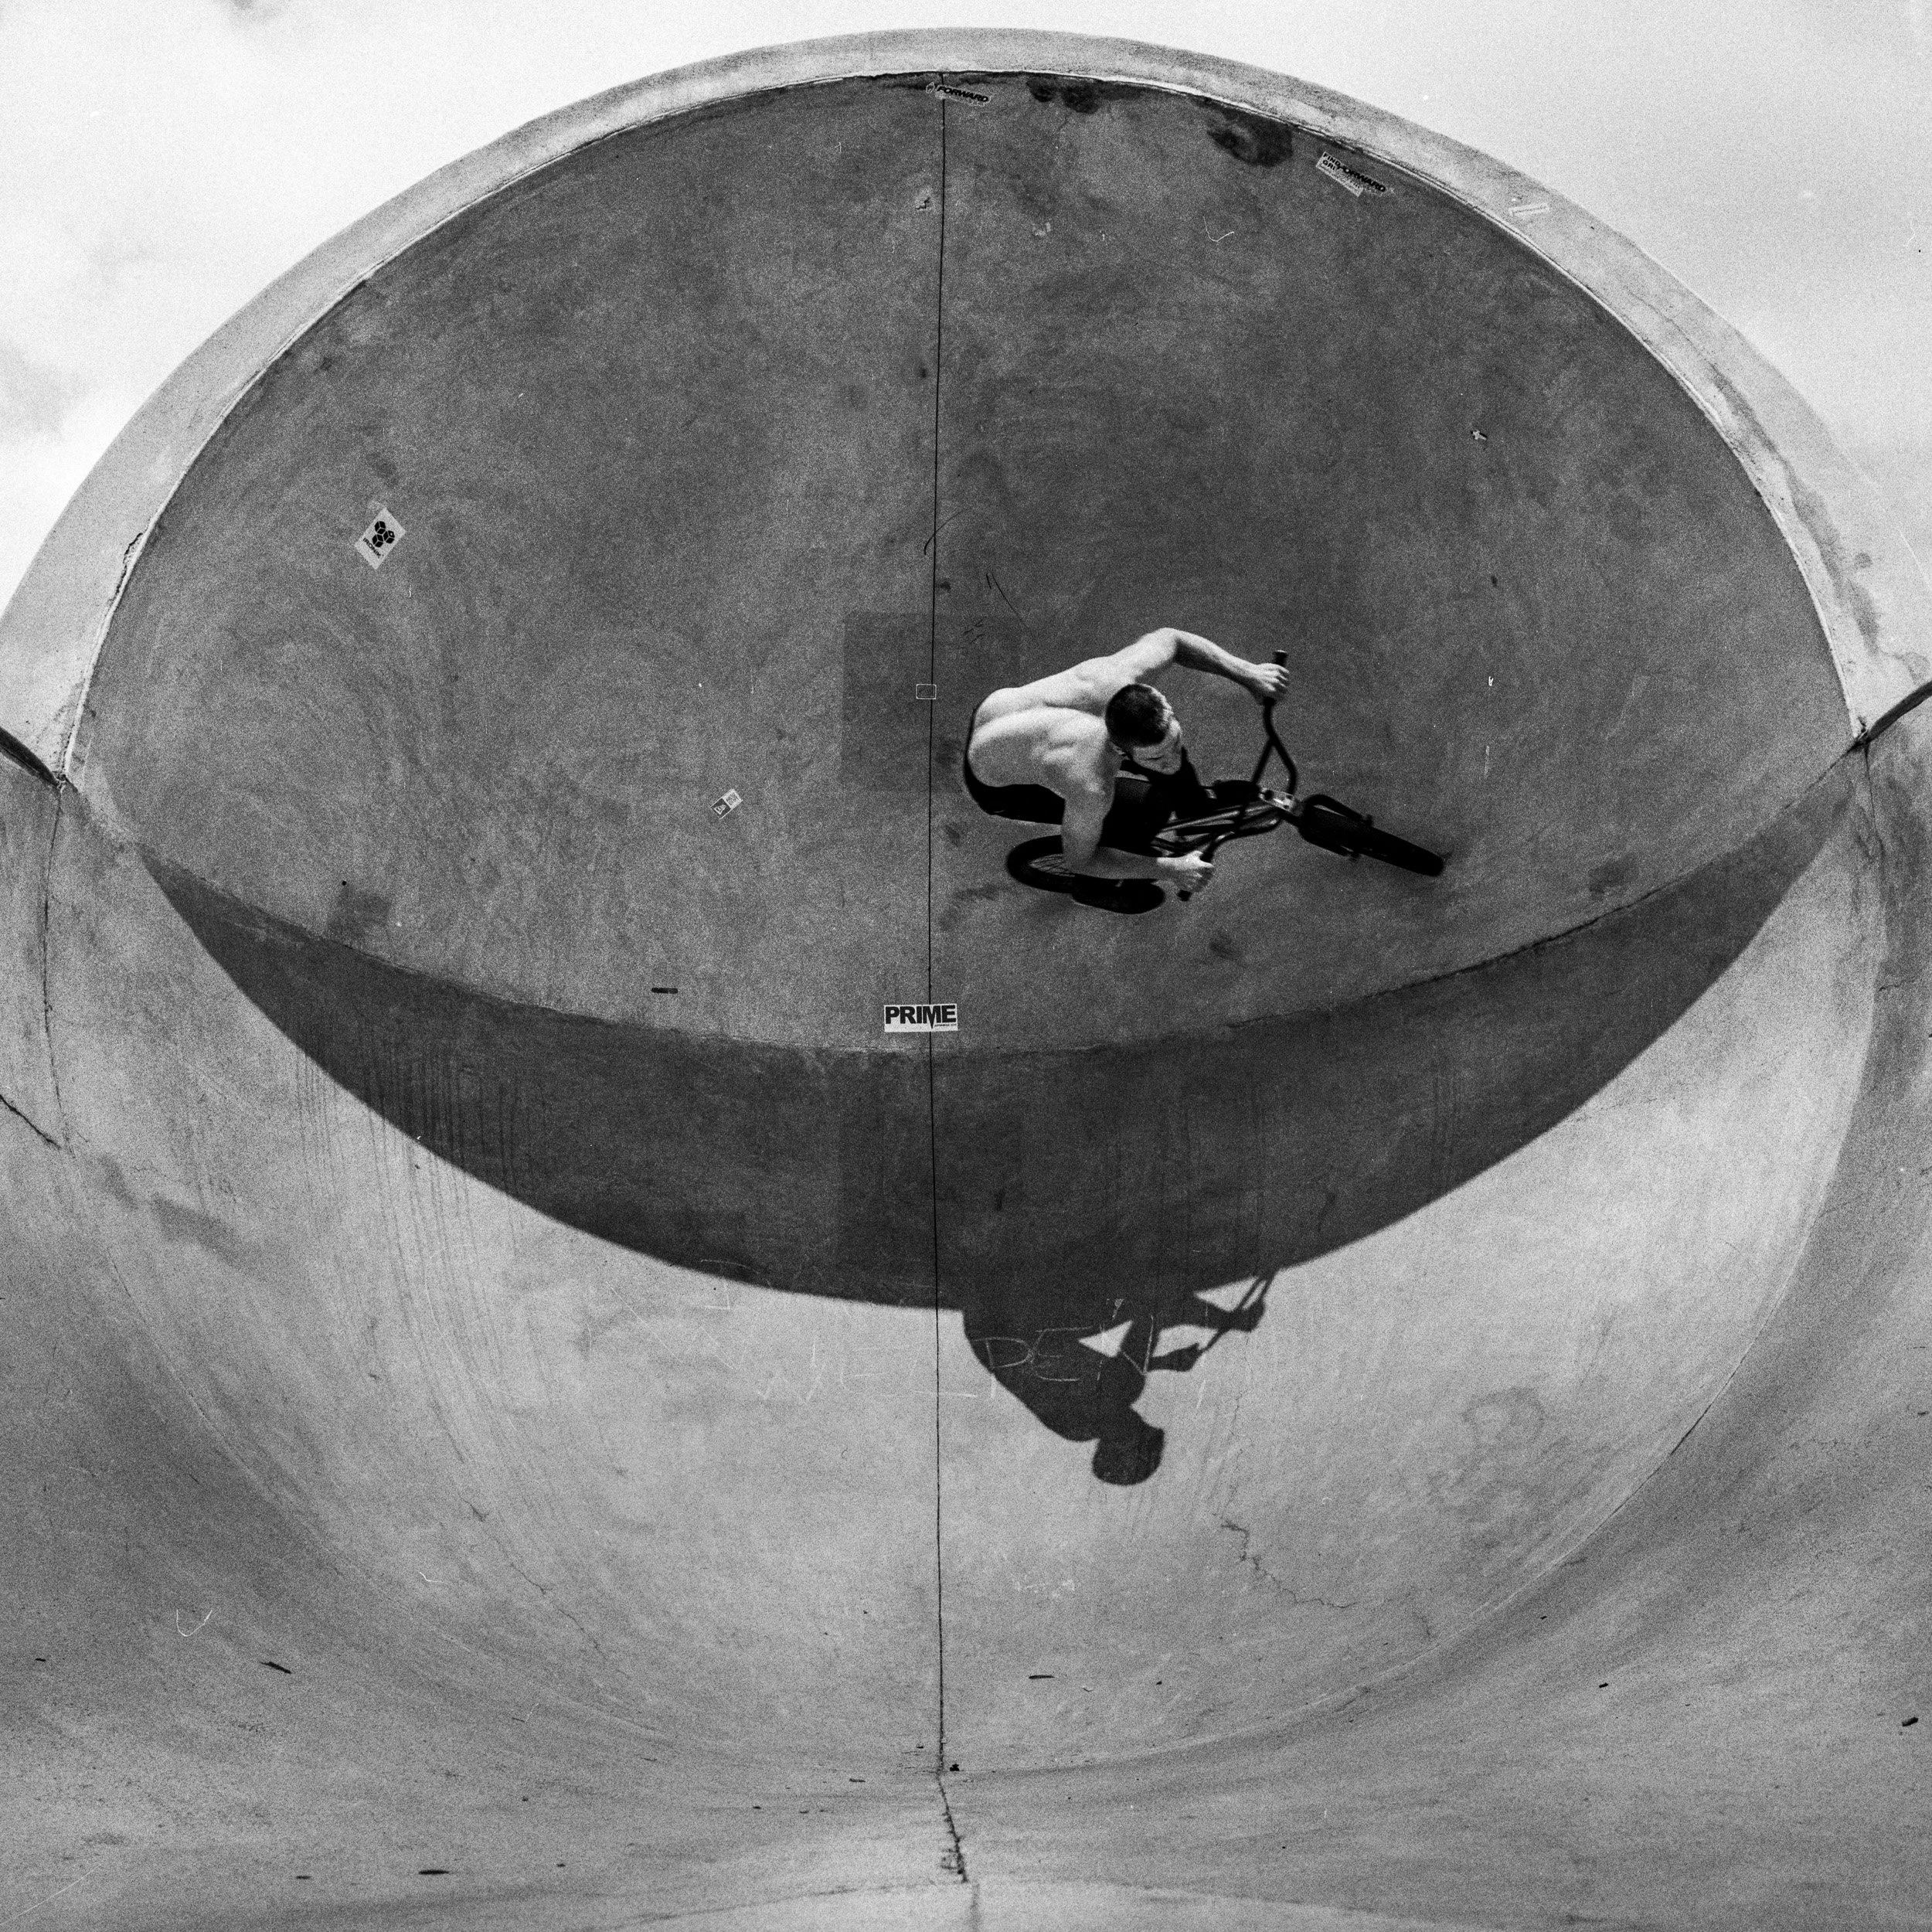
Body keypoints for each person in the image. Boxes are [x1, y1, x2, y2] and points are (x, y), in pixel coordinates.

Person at [964, 627, 1291, 899]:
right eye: (1157, 758)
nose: (1173, 761)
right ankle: (1097, 891)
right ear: (1120, 751)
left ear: (1160, 701)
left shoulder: (1116, 678)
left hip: (1002, 717)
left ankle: (1192, 806)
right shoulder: (1090, 781)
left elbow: (1172, 640)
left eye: (1174, 741)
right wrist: (1171, 869)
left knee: (1167, 764)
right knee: (1148, 809)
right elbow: (1080, 860)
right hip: (1001, 782)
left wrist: (1247, 672)